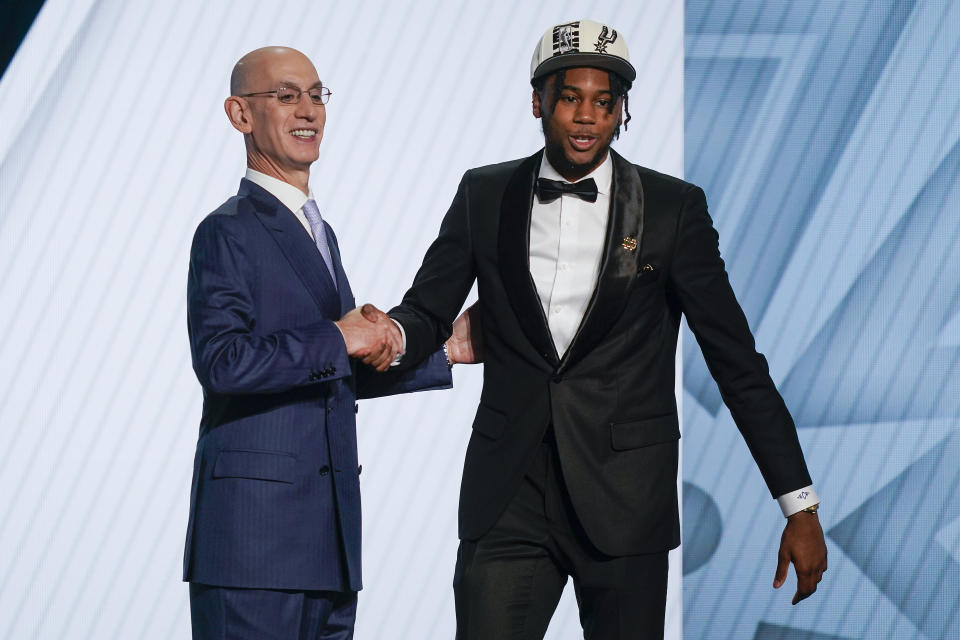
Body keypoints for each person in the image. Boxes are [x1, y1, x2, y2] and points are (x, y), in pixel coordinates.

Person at [388, 19, 828, 640]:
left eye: (604, 101)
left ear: (623, 111)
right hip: (509, 493)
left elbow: (735, 362)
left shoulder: (674, 209)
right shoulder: (483, 193)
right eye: (570, 98)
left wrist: (799, 506)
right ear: (538, 101)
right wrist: (390, 333)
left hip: (627, 498)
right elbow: (428, 309)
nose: (586, 117)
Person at [183, 46, 452, 640]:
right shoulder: (226, 230)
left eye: (315, 94)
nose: (307, 109)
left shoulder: (318, 230)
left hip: (328, 548)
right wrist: (338, 334)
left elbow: (329, 368)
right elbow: (224, 363)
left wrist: (441, 348)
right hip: (254, 550)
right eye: (284, 95)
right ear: (239, 114)